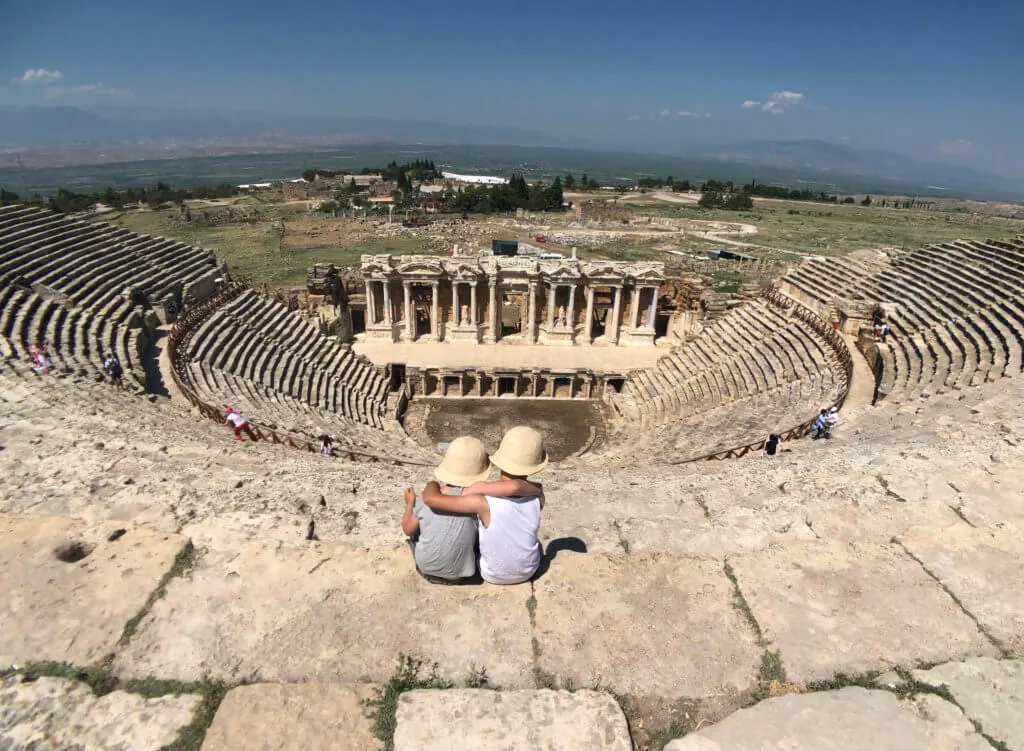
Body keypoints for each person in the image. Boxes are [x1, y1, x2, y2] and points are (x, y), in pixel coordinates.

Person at [423, 426, 547, 585]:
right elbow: (516, 487)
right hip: (529, 571)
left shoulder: (482, 501)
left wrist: (433, 484)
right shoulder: (539, 497)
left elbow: (431, 499)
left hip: (491, 574)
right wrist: (537, 488)